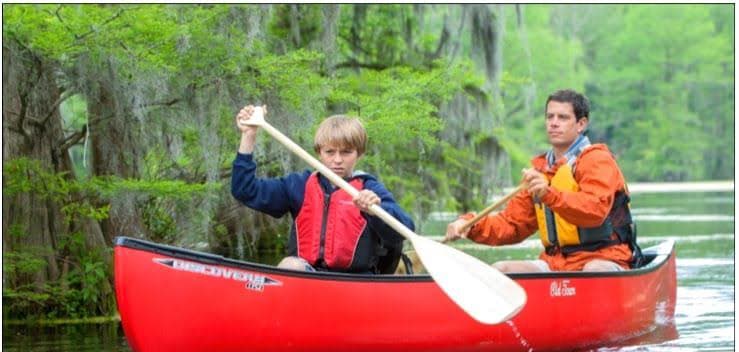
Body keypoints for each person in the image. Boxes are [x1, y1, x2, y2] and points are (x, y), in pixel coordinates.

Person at [445, 89, 642, 272]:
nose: (554, 123)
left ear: (581, 124)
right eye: (550, 117)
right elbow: (512, 225)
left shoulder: (597, 161)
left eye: (563, 117)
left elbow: (594, 211)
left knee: (593, 270)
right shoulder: (542, 170)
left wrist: (548, 194)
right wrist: (470, 224)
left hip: (605, 257)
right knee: (501, 269)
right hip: (557, 263)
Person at [231, 105, 415, 273]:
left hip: (357, 284)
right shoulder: (299, 185)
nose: (337, 160)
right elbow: (244, 190)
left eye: (346, 152)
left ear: (359, 153)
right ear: (319, 152)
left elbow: (405, 230)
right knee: (291, 265)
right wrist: (249, 136)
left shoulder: (368, 189)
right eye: (330, 152)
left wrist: (376, 210)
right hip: (309, 279)